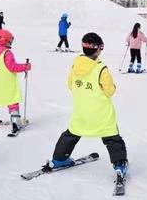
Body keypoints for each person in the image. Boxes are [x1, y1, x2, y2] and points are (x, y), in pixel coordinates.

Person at [44, 33, 128, 181]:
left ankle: (59, 159)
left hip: (81, 112)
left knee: (71, 134)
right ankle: (119, 165)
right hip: (101, 113)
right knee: (112, 137)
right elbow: (109, 91)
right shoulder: (101, 69)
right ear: (98, 49)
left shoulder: (75, 66)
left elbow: (71, 85)